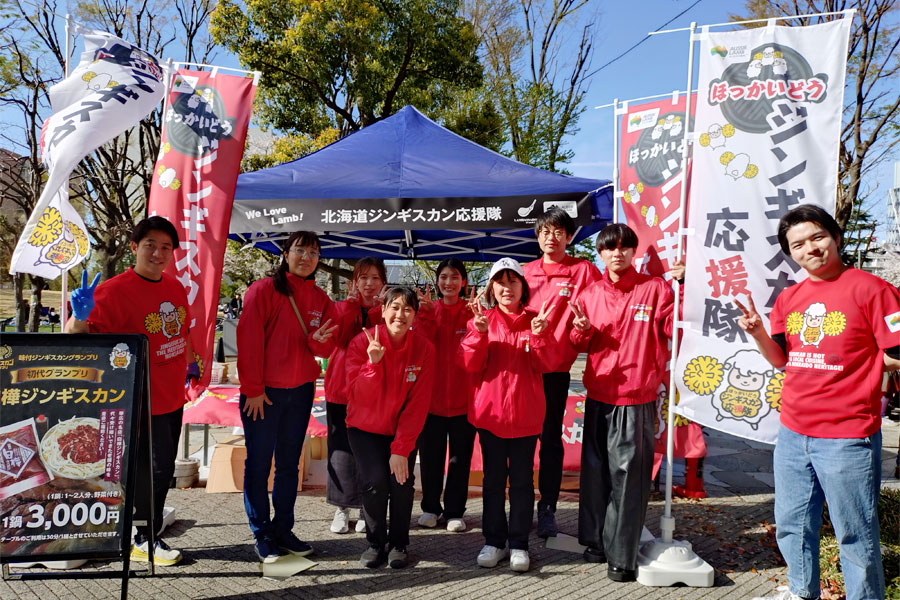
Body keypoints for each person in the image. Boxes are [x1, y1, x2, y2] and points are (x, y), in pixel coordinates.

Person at [736, 205, 900, 600]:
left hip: (847, 435)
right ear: (790, 253)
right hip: (792, 433)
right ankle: (800, 592)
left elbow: (897, 351)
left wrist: (861, 361)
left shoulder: (873, 289)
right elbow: (781, 360)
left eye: (817, 237)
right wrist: (758, 332)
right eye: (798, 244)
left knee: (855, 533)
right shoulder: (789, 298)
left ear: (835, 237)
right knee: (792, 524)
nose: (810, 248)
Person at [65, 216, 193, 566]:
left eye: (166, 247)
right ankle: (141, 536)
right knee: (141, 472)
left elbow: (182, 331)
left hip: (169, 398)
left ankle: (143, 532)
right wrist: (79, 316)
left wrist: (191, 366)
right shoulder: (111, 291)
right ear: (135, 247)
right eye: (151, 244)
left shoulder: (174, 286)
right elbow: (76, 341)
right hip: (132, 402)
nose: (159, 253)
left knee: (162, 469)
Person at [567, 223, 674, 582]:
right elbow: (574, 341)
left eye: (624, 247)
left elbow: (674, 327)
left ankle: (622, 557)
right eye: (609, 248)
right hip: (597, 395)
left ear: (633, 252)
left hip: (634, 396)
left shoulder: (655, 290)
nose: (617, 253)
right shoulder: (590, 294)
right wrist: (581, 330)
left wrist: (687, 287)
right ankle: (597, 542)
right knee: (595, 475)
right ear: (600, 254)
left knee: (628, 481)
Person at [236, 230, 339, 563]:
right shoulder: (263, 290)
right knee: (258, 465)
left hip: (300, 393)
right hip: (263, 395)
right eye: (300, 250)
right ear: (285, 253)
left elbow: (323, 346)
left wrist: (319, 342)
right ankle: (262, 533)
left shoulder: (321, 299)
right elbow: (249, 341)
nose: (307, 257)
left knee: (288, 467)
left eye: (313, 252)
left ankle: (283, 529)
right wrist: (253, 389)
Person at [460, 257, 557, 573]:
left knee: (522, 483)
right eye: (500, 282)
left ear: (522, 286)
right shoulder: (481, 320)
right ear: (492, 287)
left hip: (526, 417)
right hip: (491, 416)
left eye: (512, 280)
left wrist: (541, 336)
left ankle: (518, 544)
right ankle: (494, 541)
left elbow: (546, 363)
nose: (506, 287)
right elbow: (471, 365)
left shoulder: (536, 320)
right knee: (492, 482)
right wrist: (478, 334)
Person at [522, 208, 601, 537]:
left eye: (557, 232)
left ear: (569, 237)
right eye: (544, 232)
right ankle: (524, 507)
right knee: (522, 443)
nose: (550, 238)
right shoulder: (524, 272)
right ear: (537, 237)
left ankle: (549, 507)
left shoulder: (583, 271)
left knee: (551, 441)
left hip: (555, 370)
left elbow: (603, 306)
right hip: (521, 370)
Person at [345, 287, 435, 569]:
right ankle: (375, 542)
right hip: (364, 427)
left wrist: (401, 448)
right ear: (382, 311)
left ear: (415, 316)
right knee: (374, 482)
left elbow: (418, 404)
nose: (400, 315)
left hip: (401, 430)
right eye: (394, 307)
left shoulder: (424, 349)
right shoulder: (362, 343)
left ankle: (399, 543)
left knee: (401, 483)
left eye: (408, 309)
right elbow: (356, 395)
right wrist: (373, 365)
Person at [412, 258, 476, 532]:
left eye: (454, 277)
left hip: (465, 402)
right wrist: (425, 316)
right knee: (430, 458)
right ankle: (429, 507)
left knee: (460, 459)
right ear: (437, 281)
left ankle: (454, 511)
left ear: (463, 282)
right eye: (444, 277)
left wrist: (477, 318)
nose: (448, 282)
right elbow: (421, 349)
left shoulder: (472, 312)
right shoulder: (428, 310)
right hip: (431, 401)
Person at [324, 257, 386, 534]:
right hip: (340, 389)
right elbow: (340, 339)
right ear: (354, 282)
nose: (369, 284)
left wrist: (377, 310)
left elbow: (381, 337)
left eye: (375, 278)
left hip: (372, 389)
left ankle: (366, 507)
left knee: (368, 451)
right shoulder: (341, 306)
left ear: (383, 282)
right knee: (341, 451)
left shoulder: (388, 309)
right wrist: (351, 306)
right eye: (363, 278)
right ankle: (341, 508)